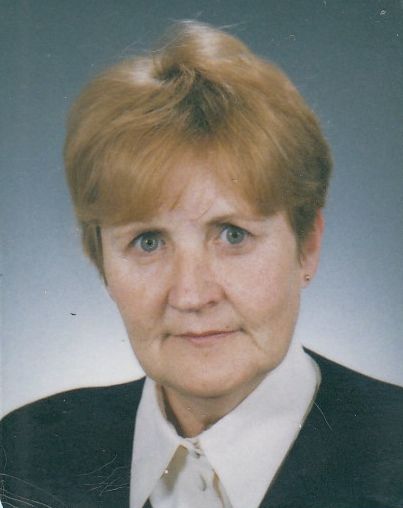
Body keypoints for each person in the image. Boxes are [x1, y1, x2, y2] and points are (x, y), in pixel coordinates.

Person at [1, 21, 402, 508]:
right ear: (100, 260)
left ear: (307, 246)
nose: (191, 295)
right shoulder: (25, 453)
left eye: (233, 234)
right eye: (148, 242)